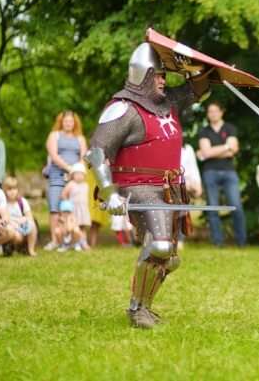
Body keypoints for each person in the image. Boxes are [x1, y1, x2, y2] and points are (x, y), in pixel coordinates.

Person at [86, 40, 211, 328]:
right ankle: (136, 310)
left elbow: (199, 89)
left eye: (164, 76)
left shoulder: (168, 104)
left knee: (169, 258)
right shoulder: (123, 109)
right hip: (138, 186)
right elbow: (97, 152)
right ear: (141, 75)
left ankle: (145, 306)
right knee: (159, 246)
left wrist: (194, 65)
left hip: (170, 188)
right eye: (158, 75)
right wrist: (110, 194)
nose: (163, 81)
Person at [197, 101, 247, 247]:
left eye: (215, 111)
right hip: (210, 172)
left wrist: (212, 152)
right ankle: (218, 242)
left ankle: (241, 241)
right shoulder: (204, 131)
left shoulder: (230, 128)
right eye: (209, 111)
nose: (212, 114)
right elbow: (206, 152)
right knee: (213, 208)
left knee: (236, 206)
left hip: (229, 172)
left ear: (221, 112)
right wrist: (226, 147)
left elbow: (234, 150)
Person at [44, 111, 87, 251]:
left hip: (75, 178)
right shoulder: (54, 135)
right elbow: (54, 155)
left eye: (71, 121)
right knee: (55, 208)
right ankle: (55, 240)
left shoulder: (80, 138)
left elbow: (83, 157)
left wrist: (76, 172)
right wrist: (69, 169)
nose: (68, 123)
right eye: (66, 121)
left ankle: (75, 241)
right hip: (57, 175)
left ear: (74, 123)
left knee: (74, 208)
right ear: (61, 122)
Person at [2, 176, 38, 256]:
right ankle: (13, 247)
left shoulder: (22, 201)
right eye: (9, 189)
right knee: (17, 236)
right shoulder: (3, 203)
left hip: (22, 225)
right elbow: (3, 218)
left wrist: (24, 219)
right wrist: (13, 222)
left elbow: (29, 216)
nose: (12, 192)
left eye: (14, 189)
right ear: (4, 191)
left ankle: (31, 249)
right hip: (11, 226)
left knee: (33, 225)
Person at [62, 162, 91, 250]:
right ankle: (74, 242)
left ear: (84, 175)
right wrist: (67, 205)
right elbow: (63, 194)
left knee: (83, 227)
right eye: (76, 174)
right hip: (74, 209)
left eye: (81, 174)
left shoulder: (85, 185)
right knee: (75, 227)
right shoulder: (71, 184)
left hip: (83, 209)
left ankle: (84, 242)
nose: (79, 176)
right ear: (72, 175)